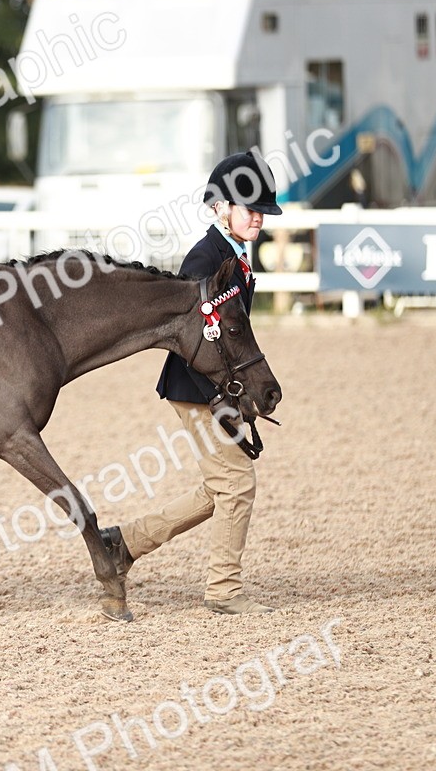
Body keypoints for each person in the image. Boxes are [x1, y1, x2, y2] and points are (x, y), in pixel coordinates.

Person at [100, 151, 281, 616]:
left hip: (215, 387)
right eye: (250, 208)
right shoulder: (206, 258)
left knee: (219, 487)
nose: (258, 217)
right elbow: (195, 339)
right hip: (197, 388)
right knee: (237, 485)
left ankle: (124, 544)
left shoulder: (235, 253)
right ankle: (224, 590)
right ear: (220, 207)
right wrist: (222, 398)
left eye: (263, 210)